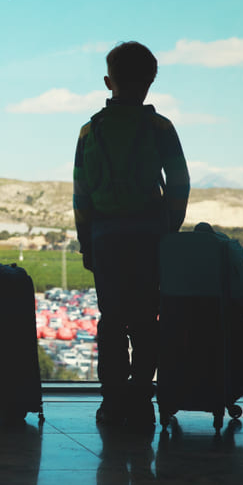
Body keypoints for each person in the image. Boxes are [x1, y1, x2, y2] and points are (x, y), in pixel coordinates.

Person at [72, 41, 190, 427]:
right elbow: (179, 182)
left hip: (105, 237)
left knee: (111, 319)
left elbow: (81, 194)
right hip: (150, 237)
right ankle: (141, 398)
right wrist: (169, 228)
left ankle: (112, 401)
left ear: (109, 82)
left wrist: (86, 241)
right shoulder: (160, 127)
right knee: (144, 319)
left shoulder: (90, 131)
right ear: (150, 82)